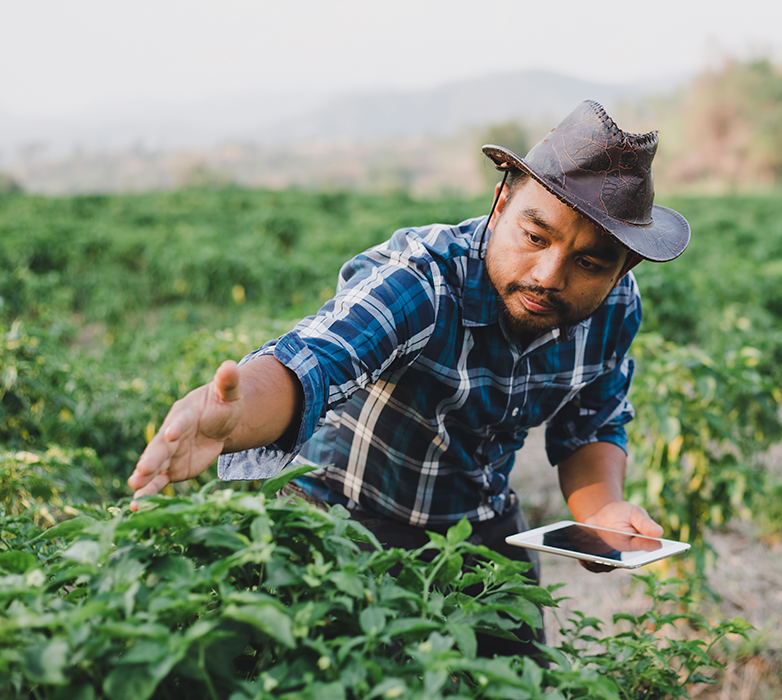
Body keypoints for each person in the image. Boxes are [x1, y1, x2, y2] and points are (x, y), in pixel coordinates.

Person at [126, 99, 690, 655]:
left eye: (590, 263)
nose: (548, 275)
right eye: (534, 237)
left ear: (624, 269)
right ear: (500, 205)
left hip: (476, 518)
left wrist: (602, 513)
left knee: (522, 674)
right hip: (343, 512)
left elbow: (590, 423)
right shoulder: (424, 279)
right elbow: (317, 361)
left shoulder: (615, 308)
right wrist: (236, 414)